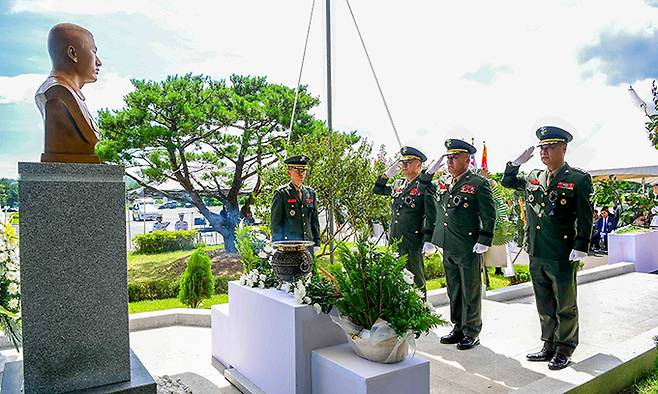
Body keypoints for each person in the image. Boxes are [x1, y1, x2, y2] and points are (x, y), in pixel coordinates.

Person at [502, 126, 593, 370]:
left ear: (564, 148)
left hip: (562, 251)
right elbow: (508, 181)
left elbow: (585, 216)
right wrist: (514, 163)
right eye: (542, 147)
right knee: (544, 303)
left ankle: (564, 348)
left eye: (551, 147)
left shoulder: (577, 178)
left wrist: (581, 245)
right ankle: (548, 343)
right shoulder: (533, 175)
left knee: (565, 303)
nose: (545, 152)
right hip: (537, 250)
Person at [426, 139, 496, 351]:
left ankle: (472, 331)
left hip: (468, 246)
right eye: (448, 157)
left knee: (470, 290)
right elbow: (424, 188)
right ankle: (458, 327)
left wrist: (484, 240)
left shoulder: (477, 184)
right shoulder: (446, 183)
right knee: (454, 290)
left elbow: (489, 215)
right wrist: (429, 172)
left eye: (455, 156)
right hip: (449, 245)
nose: (450, 160)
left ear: (467, 159)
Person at [35, 23, 102, 164]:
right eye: (94, 52)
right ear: (73, 53)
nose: (99, 62)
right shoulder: (57, 94)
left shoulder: (73, 95)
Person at [373, 146, 437, 294]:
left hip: (412, 241)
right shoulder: (398, 184)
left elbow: (431, 214)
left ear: (419, 165)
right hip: (395, 239)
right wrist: (386, 175)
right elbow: (378, 190)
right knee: (397, 279)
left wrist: (429, 239)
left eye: (409, 162)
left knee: (416, 280)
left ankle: (421, 312)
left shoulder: (425, 186)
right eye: (403, 162)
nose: (404, 165)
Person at [271, 155, 321, 248]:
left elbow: (314, 220)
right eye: (297, 170)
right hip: (289, 246)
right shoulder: (282, 193)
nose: (301, 173)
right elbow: (276, 223)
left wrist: (317, 241)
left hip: (308, 244)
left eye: (304, 170)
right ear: (289, 173)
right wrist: (277, 245)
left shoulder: (311, 193)